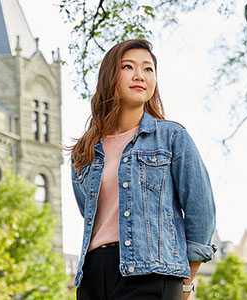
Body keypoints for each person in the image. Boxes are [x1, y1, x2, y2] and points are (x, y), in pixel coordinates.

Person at [69, 39, 216, 300]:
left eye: (148, 69)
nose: (140, 75)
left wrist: (186, 282)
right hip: (92, 276)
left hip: (152, 274)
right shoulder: (85, 151)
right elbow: (90, 215)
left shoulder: (172, 137)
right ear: (110, 76)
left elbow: (201, 212)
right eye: (128, 67)